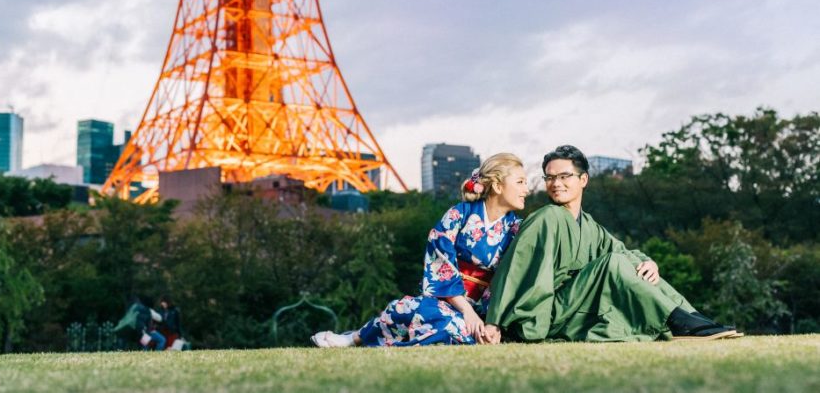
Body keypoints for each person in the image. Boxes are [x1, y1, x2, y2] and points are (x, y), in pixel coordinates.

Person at [484, 145, 741, 343]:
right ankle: (680, 321)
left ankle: (694, 319)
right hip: (548, 314)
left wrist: (647, 262)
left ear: (583, 179)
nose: (556, 184)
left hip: (575, 310)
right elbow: (513, 269)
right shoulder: (546, 218)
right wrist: (493, 322)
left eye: (564, 176)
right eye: (550, 178)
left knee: (638, 266)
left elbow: (621, 251)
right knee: (615, 263)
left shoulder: (589, 225)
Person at [312, 152, 529, 347]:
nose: (526, 190)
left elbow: (507, 279)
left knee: (466, 330)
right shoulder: (458, 215)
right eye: (520, 182)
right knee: (407, 309)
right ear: (498, 186)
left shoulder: (516, 229)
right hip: (447, 301)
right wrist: (467, 311)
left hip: (484, 310)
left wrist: (493, 323)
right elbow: (440, 264)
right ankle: (353, 338)